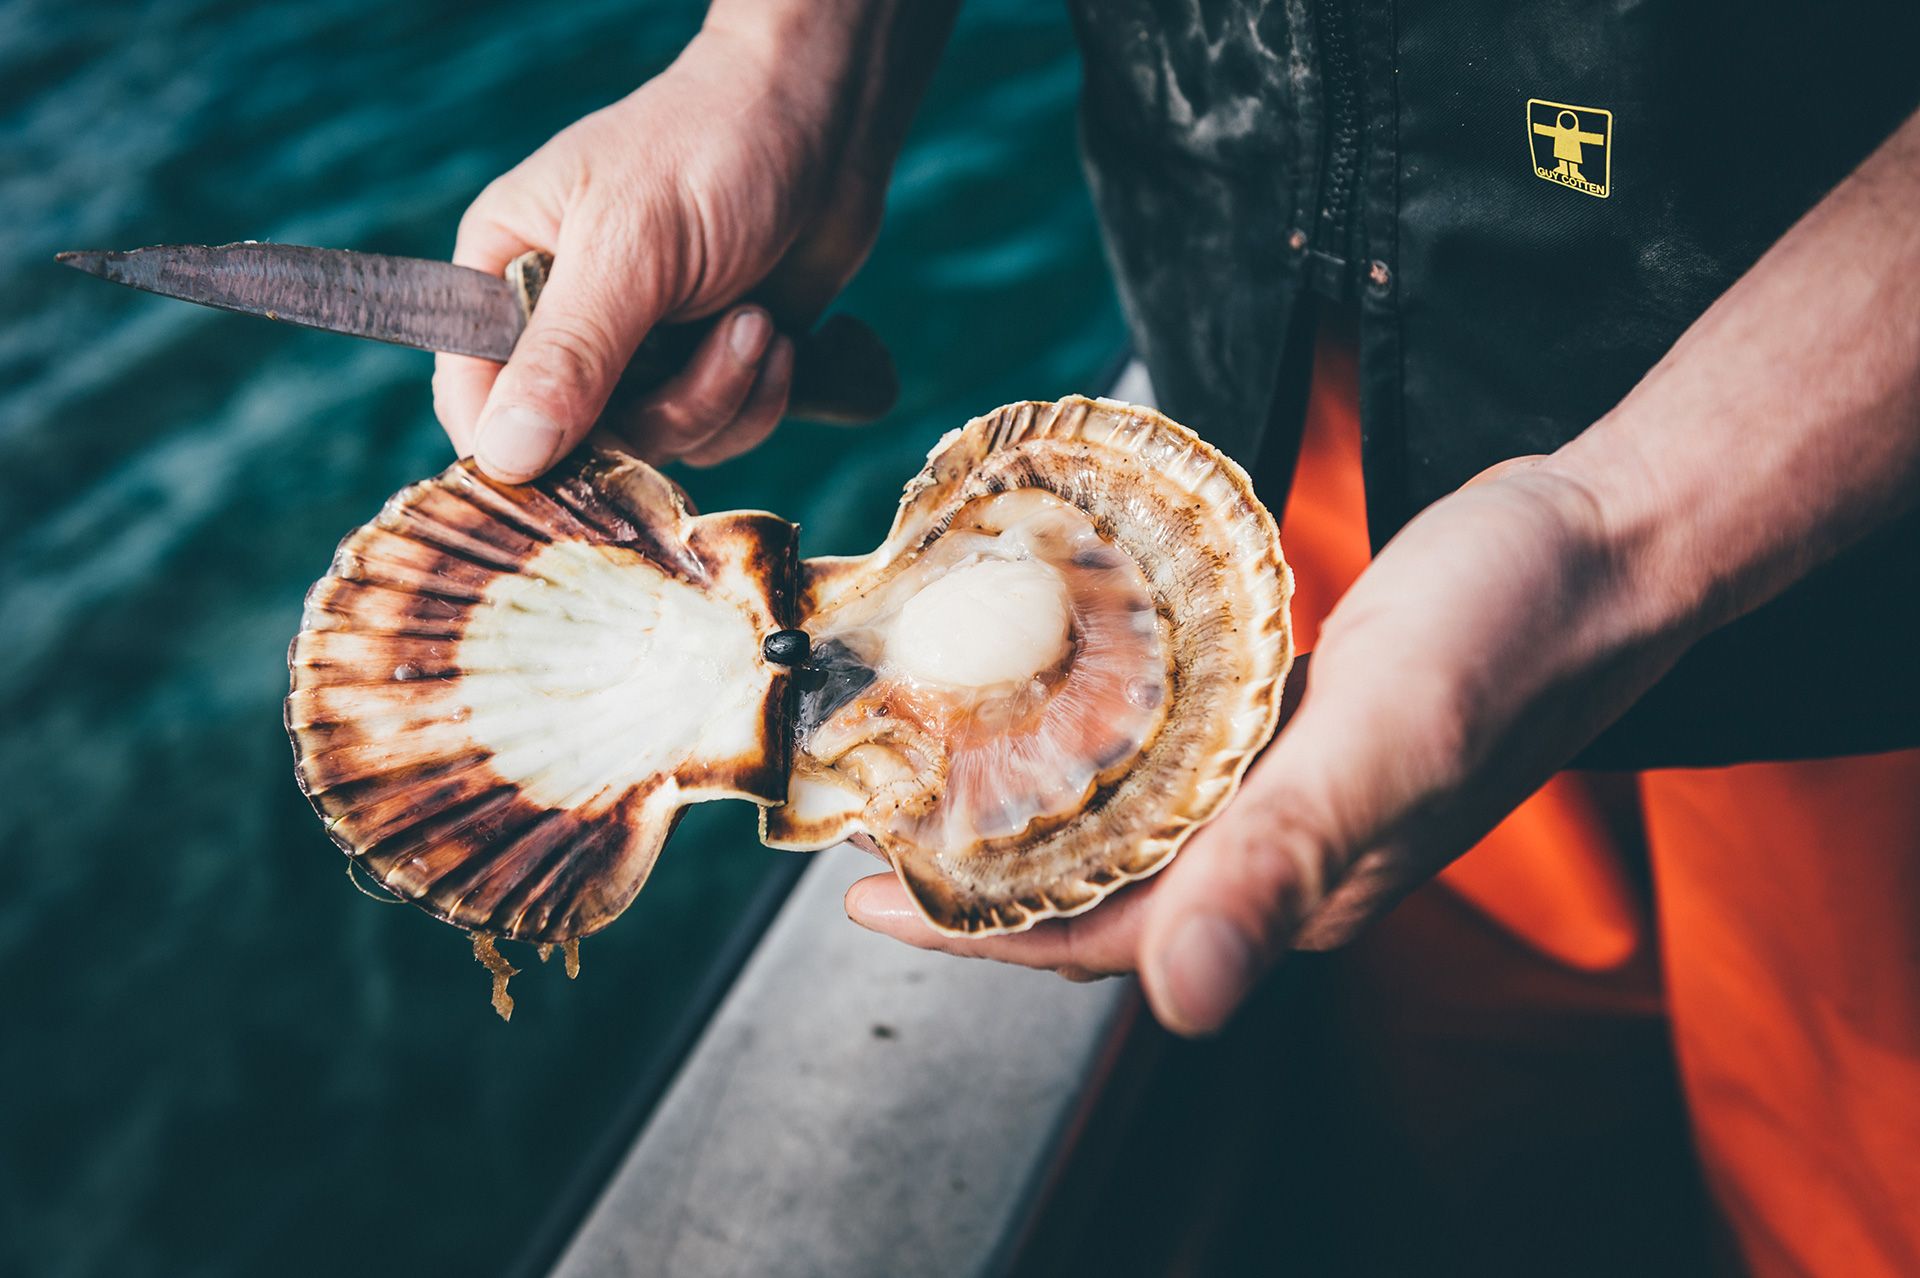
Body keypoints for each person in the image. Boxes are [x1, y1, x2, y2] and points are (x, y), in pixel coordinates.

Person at [431, 3, 1920, 1272]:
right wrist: (793, 60)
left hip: (1839, 493)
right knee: (1487, 1133)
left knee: (1857, 1184)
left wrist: (1626, 528)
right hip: (1277, 473)